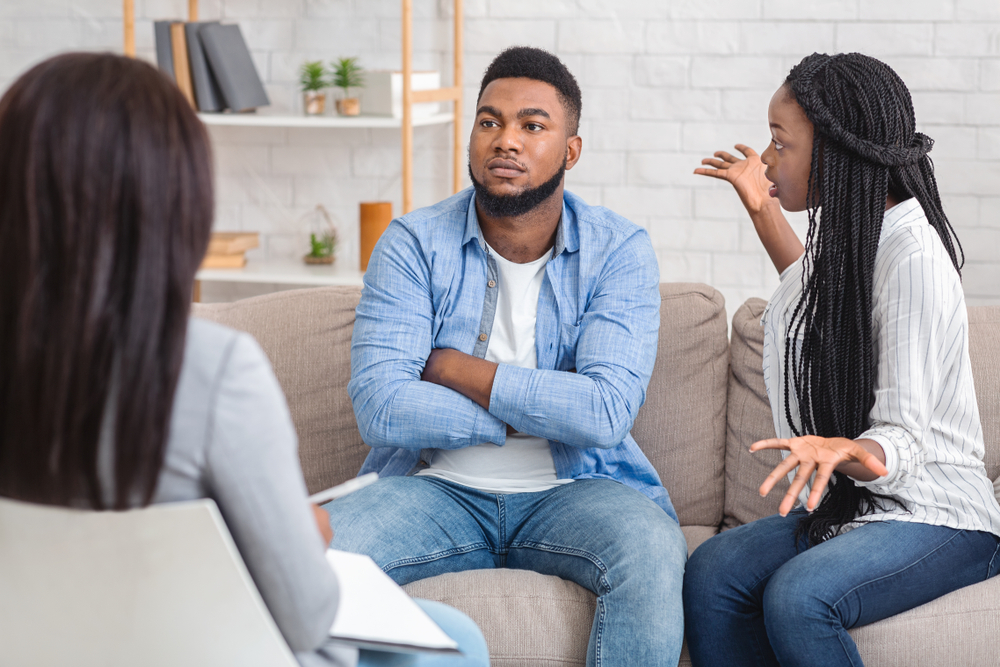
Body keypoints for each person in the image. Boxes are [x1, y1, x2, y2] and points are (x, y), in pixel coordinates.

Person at [0, 52, 488, 667]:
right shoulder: (210, 368)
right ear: (173, 201)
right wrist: (303, 538)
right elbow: (305, 614)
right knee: (456, 641)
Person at [326, 46, 686, 666]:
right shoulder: (413, 243)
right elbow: (381, 408)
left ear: (570, 151)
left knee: (652, 550)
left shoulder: (619, 250)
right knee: (318, 561)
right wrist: (540, 406)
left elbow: (603, 416)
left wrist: (457, 370)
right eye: (489, 121)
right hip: (434, 487)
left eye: (532, 125)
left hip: (575, 489)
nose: (505, 141)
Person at [683, 52, 1000, 667]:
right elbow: (816, 304)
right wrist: (761, 206)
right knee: (714, 568)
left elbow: (901, 440)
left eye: (781, 144)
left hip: (939, 515)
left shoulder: (915, 259)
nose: (768, 159)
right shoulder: (858, 228)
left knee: (799, 597)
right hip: (866, 507)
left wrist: (844, 450)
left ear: (832, 152)